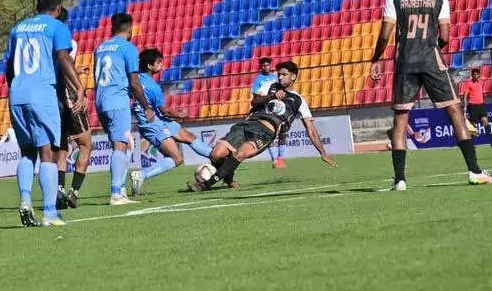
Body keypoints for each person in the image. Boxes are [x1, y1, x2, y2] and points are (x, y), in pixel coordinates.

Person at [370, 0, 492, 190]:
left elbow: (385, 35)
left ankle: (400, 180)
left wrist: (375, 59)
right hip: (431, 60)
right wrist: (431, 48)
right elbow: (446, 37)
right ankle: (474, 171)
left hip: (405, 62)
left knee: (400, 119)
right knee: (455, 110)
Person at [188, 61, 336, 192]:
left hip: (265, 133)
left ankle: (205, 184)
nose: (280, 77)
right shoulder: (270, 86)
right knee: (216, 154)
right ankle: (228, 177)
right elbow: (254, 102)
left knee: (240, 154)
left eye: (284, 74)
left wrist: (323, 153)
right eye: (279, 74)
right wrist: (271, 96)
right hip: (247, 124)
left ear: (293, 77)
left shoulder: (299, 101)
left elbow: (311, 129)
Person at [5, 0, 85, 227]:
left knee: (26, 152)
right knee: (47, 153)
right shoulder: (57, 27)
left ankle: (25, 199)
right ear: (58, 8)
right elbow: (63, 57)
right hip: (42, 93)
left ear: (36, 5)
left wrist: (16, 89)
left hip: (17, 94)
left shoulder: (18, 29)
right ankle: (49, 213)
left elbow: (9, 67)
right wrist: (79, 86)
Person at [129, 48, 213, 195]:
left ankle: (217, 156)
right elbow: (165, 111)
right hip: (153, 125)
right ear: (149, 66)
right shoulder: (152, 86)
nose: (161, 64)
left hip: (160, 120)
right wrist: (182, 115)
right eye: (158, 62)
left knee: (189, 137)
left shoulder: (135, 80)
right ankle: (141, 175)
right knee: (177, 158)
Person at [94, 12, 156, 205]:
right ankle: (116, 194)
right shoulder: (128, 48)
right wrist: (146, 107)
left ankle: (120, 189)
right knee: (120, 146)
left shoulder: (100, 48)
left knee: (122, 145)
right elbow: (135, 82)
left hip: (101, 101)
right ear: (129, 29)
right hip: (117, 100)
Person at [53, 7, 92, 210]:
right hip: (67, 95)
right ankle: (74, 192)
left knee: (61, 148)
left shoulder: (40, 41)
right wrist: (79, 89)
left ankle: (59, 190)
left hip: (49, 97)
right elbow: (64, 67)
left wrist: (76, 69)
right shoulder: (68, 41)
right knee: (85, 144)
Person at [251, 57, 288, 168]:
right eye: (263, 65)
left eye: (267, 65)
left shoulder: (275, 77)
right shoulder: (258, 80)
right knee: (270, 134)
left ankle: (280, 158)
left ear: (270, 65)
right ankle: (274, 161)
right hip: (266, 108)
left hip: (278, 107)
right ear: (260, 67)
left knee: (283, 133)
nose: (265, 67)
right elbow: (256, 98)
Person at [460, 67, 492, 147]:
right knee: (473, 125)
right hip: (473, 106)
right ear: (472, 75)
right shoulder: (468, 83)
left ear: (479, 75)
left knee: (485, 121)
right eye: (474, 74)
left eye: (477, 74)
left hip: (481, 105)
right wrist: (465, 106)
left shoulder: (480, 82)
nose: (476, 76)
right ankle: (470, 144)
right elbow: (465, 95)